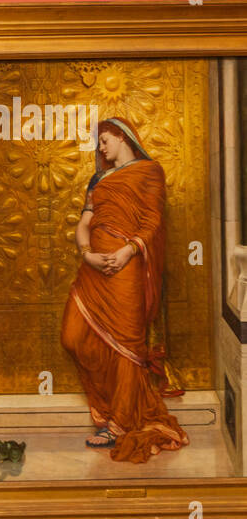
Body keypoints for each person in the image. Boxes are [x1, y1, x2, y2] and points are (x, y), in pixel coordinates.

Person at [60, 116, 190, 463]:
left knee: (126, 349)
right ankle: (108, 407)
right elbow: (84, 223)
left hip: (127, 268)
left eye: (104, 140)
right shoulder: (98, 179)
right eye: (99, 142)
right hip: (94, 269)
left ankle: (118, 423)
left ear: (122, 136)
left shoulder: (149, 172)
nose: (100, 148)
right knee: (73, 336)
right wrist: (88, 256)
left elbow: (152, 222)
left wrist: (126, 251)